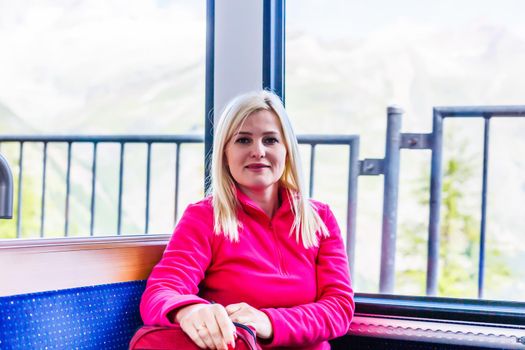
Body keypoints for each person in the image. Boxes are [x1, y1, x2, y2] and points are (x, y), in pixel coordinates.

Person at [140, 90, 354, 350]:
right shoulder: (204, 217)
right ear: (225, 154)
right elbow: (162, 291)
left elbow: (339, 309)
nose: (258, 151)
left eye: (270, 140)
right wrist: (189, 311)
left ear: (286, 150)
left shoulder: (320, 219)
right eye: (243, 140)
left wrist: (269, 321)